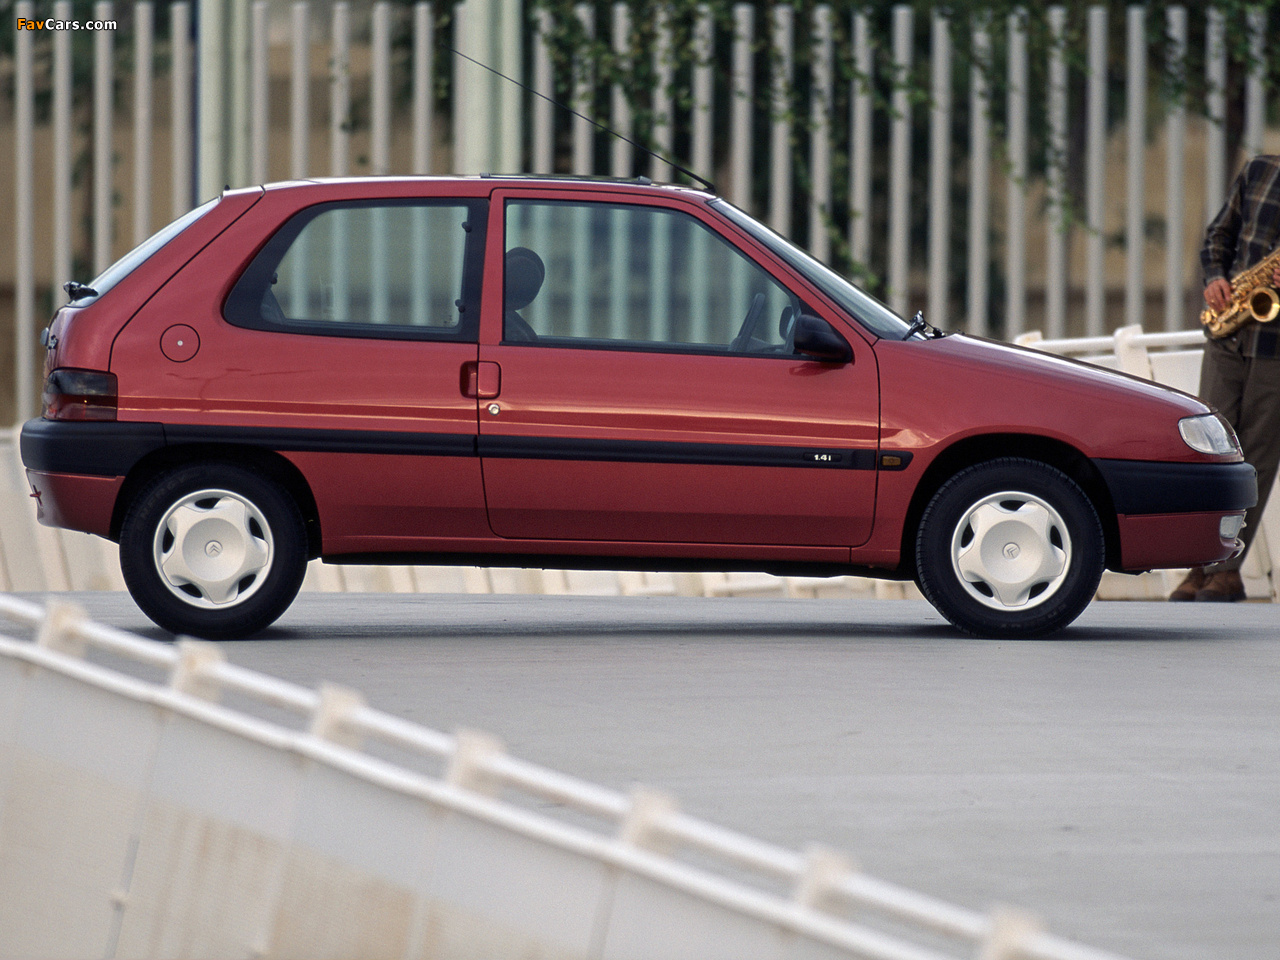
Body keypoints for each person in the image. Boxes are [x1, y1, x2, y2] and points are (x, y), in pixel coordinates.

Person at [1170, 154, 1280, 602]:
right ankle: (1199, 564)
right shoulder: (1260, 172)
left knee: (1256, 458)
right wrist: (1215, 277)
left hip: (1276, 349)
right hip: (1229, 332)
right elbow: (1218, 236)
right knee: (1208, 448)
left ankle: (1225, 569)